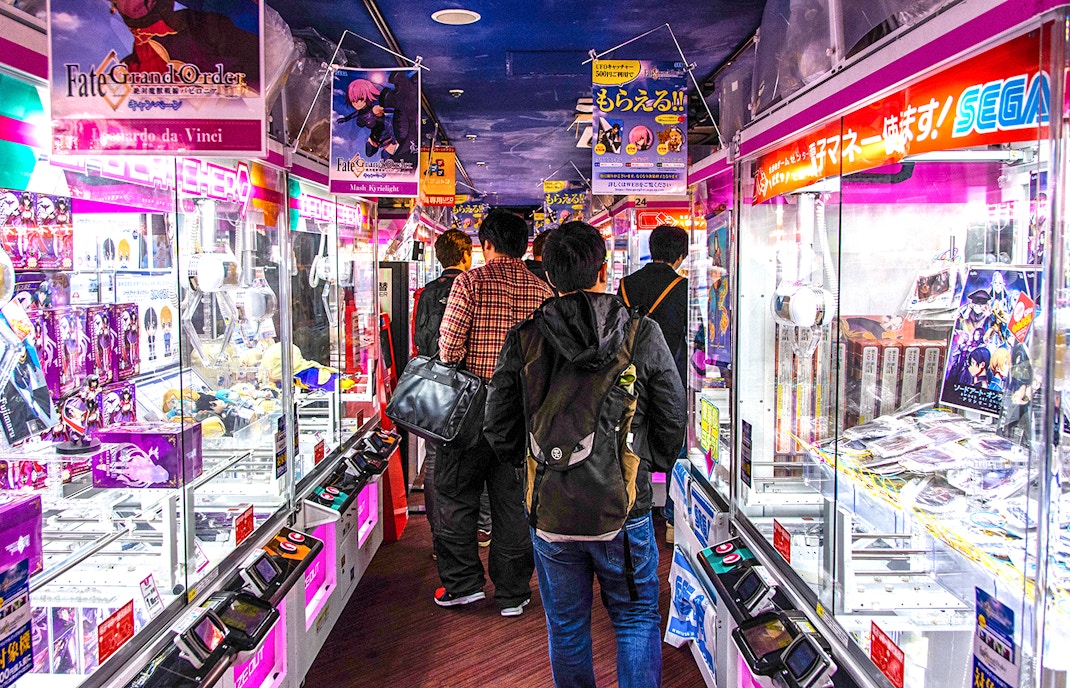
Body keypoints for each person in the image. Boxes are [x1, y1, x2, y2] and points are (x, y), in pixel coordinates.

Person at [485, 221, 685, 687]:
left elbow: (499, 424)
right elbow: (673, 411)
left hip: (550, 506)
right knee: (635, 620)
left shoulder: (525, 336)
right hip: (625, 504)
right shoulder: (642, 332)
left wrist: (533, 465)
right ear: (604, 268)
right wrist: (650, 463)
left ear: (550, 277)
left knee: (567, 625)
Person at [435, 210, 553, 616]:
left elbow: (448, 349)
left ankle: (463, 584)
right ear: (524, 246)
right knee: (513, 501)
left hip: (469, 405)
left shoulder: (469, 281)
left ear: (486, 245)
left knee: (455, 493)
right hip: (520, 411)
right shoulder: (543, 292)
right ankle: (513, 592)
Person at [410, 230, 493, 558]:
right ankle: (483, 525)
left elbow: (420, 339)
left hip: (435, 388)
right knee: (482, 453)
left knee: (435, 459)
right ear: (466, 256)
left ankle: (438, 530)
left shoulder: (426, 293)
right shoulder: (473, 286)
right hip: (471, 386)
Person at [618, 223, 689, 544]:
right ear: (681, 255)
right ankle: (672, 519)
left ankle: (630, 499)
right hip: (669, 376)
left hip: (627, 379)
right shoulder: (683, 288)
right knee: (676, 444)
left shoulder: (625, 285)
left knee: (630, 440)